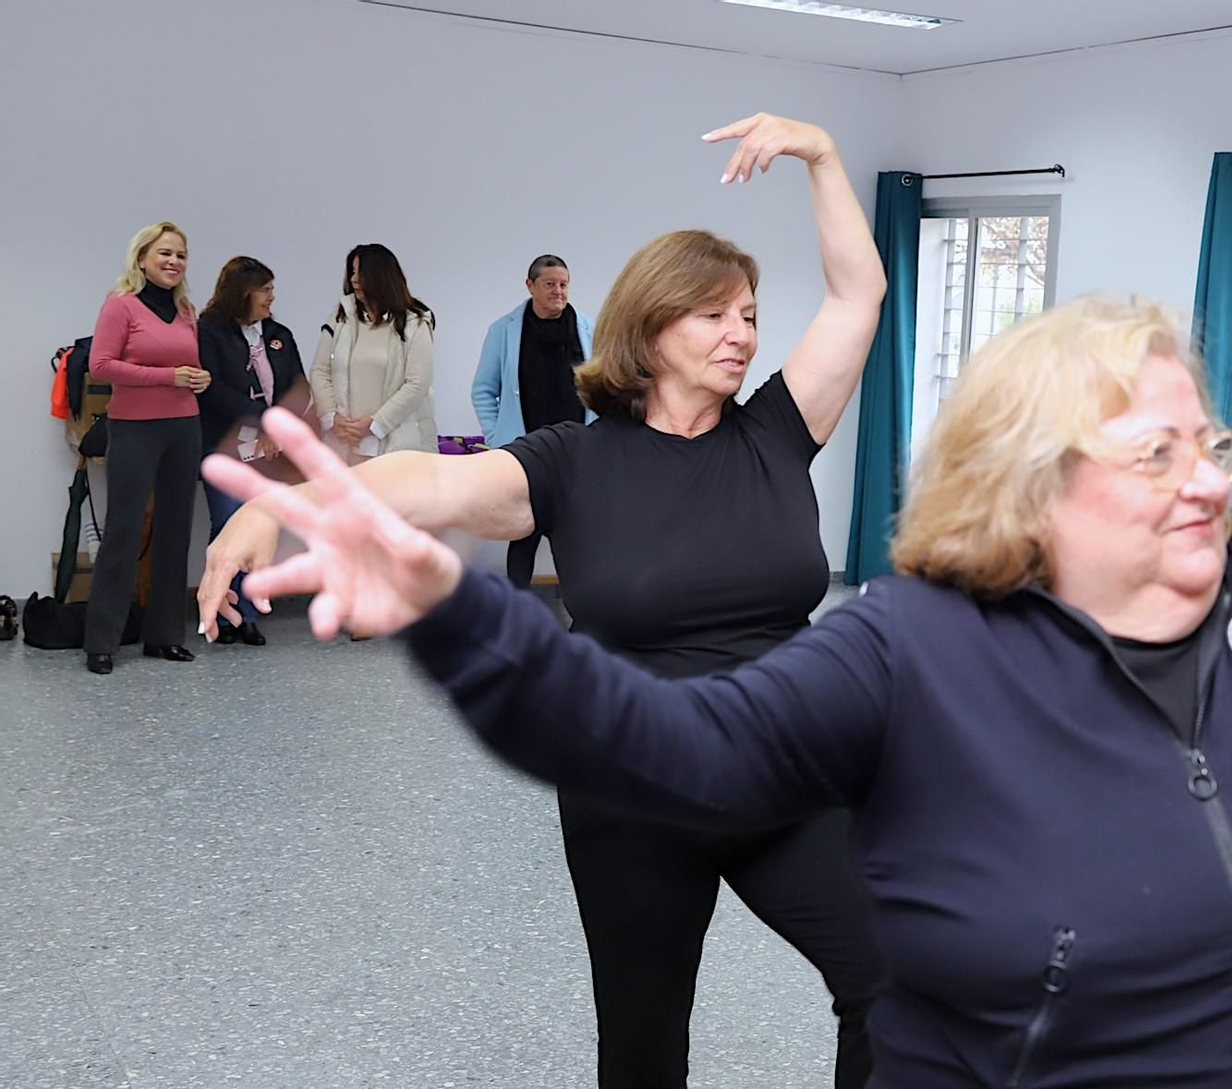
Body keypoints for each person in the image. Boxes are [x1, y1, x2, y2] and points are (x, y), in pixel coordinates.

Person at [203, 16, 1232, 1085]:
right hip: (676, 774)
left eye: (1212, 445)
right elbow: (621, 707)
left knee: (877, 974)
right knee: (644, 1042)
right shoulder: (865, 617)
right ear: (1036, 479)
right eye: (1153, 452)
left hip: (806, 786)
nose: (1202, 485)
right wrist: (370, 562)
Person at [202, 114, 887, 1088]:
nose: (742, 334)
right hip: (632, 781)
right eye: (715, 315)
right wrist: (280, 507)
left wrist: (821, 152)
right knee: (644, 1049)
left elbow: (858, 295)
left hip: (788, 767)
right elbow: (423, 485)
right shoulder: (573, 459)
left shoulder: (776, 430)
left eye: (749, 315)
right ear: (650, 327)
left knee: (893, 978)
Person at [82, 221, 210, 676]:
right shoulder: (121, 305)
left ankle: (165, 636)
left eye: (181, 255)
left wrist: (199, 378)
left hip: (183, 427)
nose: (174, 262)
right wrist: (166, 377)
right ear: (141, 259)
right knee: (123, 530)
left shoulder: (187, 309)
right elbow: (101, 365)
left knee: (176, 531)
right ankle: (102, 642)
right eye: (165, 254)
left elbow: (188, 367)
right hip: (135, 429)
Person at [197, 257, 307, 646]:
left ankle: (247, 612)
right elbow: (211, 389)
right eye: (265, 290)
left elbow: (299, 387)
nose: (272, 297)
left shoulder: (279, 334)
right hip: (225, 444)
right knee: (228, 522)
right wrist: (262, 420)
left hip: (270, 449)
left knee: (260, 526)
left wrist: (276, 428)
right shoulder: (209, 331)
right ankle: (222, 614)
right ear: (242, 292)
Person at [471, 255, 596, 587]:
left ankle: (580, 612)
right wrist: (497, 438)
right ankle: (516, 611)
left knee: (572, 536)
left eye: (564, 284)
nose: (558, 291)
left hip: (575, 450)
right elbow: (483, 389)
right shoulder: (504, 331)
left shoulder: (588, 328)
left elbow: (603, 386)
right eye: (550, 284)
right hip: (525, 450)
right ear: (530, 286)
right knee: (523, 531)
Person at [309, 244, 436, 464]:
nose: (354, 280)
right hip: (344, 445)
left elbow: (417, 383)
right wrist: (332, 418)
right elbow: (320, 370)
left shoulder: (415, 322)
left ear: (380, 276)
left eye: (360, 272)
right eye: (352, 272)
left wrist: (376, 424)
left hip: (397, 446)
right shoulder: (340, 319)